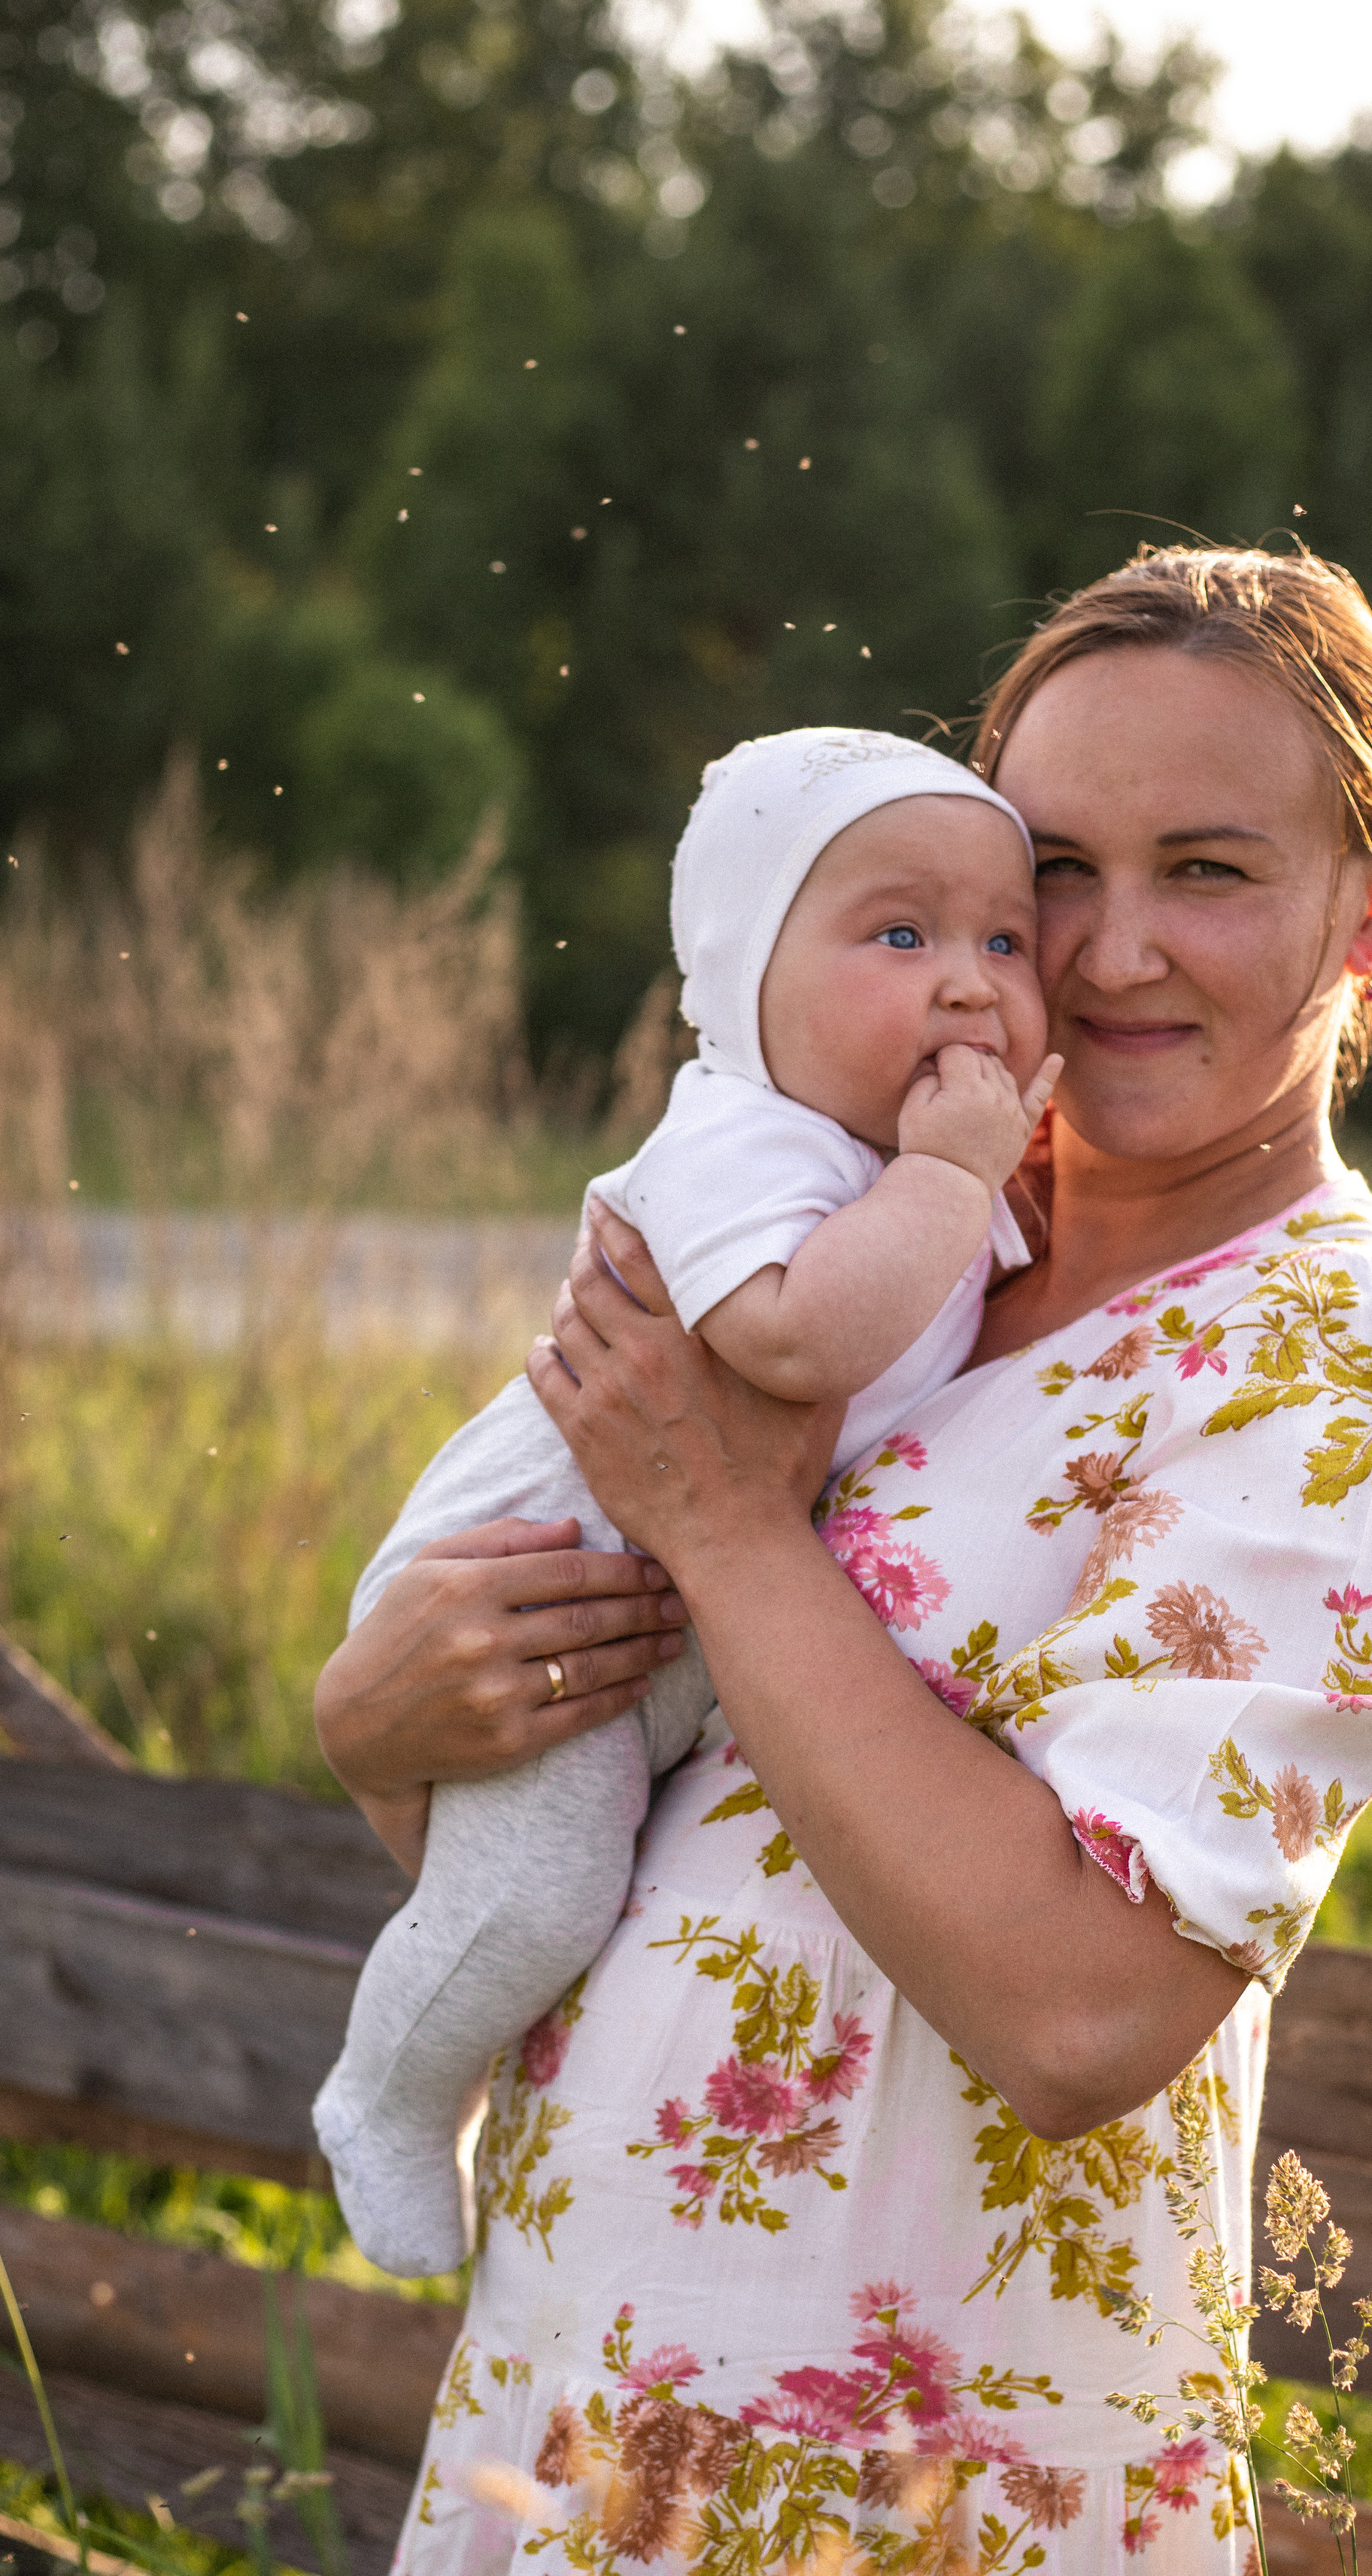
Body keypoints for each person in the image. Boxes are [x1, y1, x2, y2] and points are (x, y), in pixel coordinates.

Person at [309, 545, 1372, 2576]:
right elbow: (641, 1869)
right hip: (607, 2386)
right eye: (1053, 871)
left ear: (1368, 916)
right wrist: (382, 1716)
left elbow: (1078, 2017)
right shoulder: (878, 1231)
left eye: (1212, 872)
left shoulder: (1350, 1370)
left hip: (935, 2490)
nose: (1109, 951)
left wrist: (731, 1530)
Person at [314, 728, 1061, 2278]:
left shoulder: (886, 1161)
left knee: (587, 1885)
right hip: (548, 1588)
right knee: (533, 1898)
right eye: (899, 934)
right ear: (743, 977)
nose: (968, 981)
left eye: (1005, 936)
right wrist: (946, 1183)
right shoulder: (746, 1132)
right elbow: (790, 1337)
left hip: (674, 1613)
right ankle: (384, 2098)